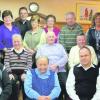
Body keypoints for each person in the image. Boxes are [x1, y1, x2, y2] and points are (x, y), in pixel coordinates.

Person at [36, 32, 68, 100]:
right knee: (50, 86)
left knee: (65, 84)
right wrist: (47, 67)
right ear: (46, 38)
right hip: (46, 71)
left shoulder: (60, 46)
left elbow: (65, 57)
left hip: (60, 70)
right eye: (49, 37)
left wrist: (57, 65)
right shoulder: (41, 47)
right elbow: (38, 59)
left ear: (55, 38)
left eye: (52, 37)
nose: (51, 38)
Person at [4, 34, 32, 100]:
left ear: (21, 41)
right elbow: (6, 62)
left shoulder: (27, 52)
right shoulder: (8, 51)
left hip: (24, 72)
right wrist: (9, 73)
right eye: (14, 41)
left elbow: (29, 63)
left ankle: (26, 98)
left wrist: (25, 73)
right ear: (12, 42)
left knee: (26, 81)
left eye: (18, 41)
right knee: (11, 82)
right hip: (12, 72)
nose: (16, 43)